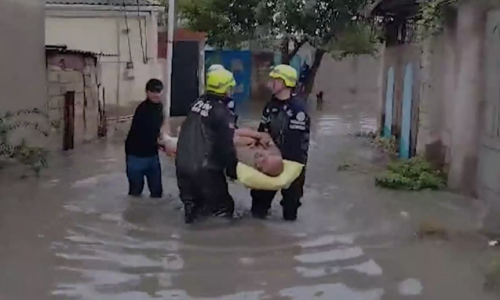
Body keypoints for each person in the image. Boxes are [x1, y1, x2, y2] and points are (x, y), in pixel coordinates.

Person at [175, 68, 239, 224]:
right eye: (230, 87)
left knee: (192, 211)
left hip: (182, 168)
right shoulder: (222, 113)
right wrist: (233, 171)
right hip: (206, 172)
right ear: (225, 88)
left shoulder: (196, 104)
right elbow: (226, 147)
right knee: (223, 210)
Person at [250, 64, 311, 221]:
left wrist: (280, 160)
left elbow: (295, 143)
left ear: (285, 83)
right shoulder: (270, 106)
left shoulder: (298, 109)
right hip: (269, 161)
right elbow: (262, 131)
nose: (270, 83)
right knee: (258, 206)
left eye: (275, 80)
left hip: (292, 164)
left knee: (290, 209)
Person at [125, 79, 165, 198]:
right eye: (153, 91)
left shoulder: (160, 107)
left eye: (159, 91)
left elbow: (159, 129)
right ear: (147, 93)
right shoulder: (142, 110)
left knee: (157, 192)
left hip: (152, 156)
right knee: (135, 193)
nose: (156, 94)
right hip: (136, 156)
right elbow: (146, 133)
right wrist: (163, 145)